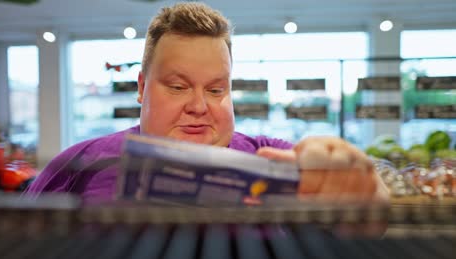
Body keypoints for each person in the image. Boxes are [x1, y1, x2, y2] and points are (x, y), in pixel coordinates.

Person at [25, 2, 389, 205]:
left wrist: (363, 189)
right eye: (178, 86)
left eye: (216, 90)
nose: (199, 106)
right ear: (141, 87)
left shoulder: (267, 159)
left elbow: (373, 215)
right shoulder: (82, 162)